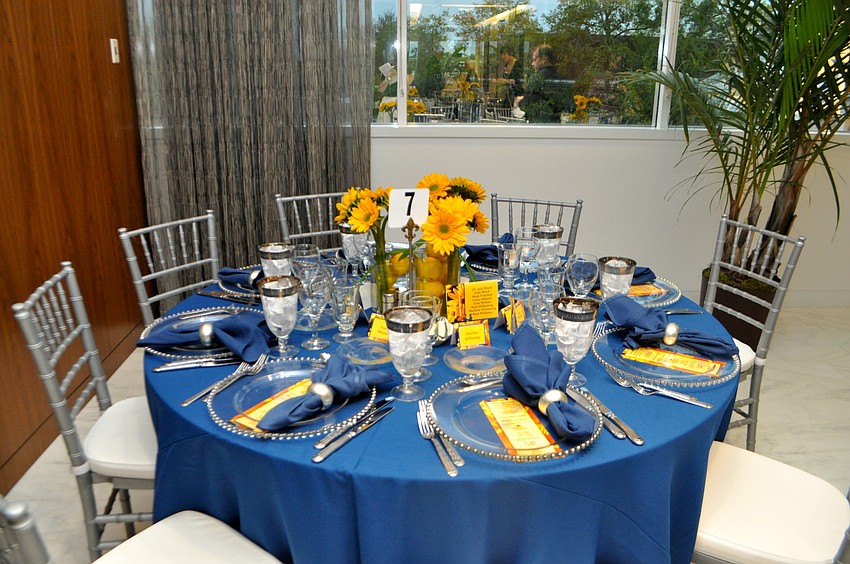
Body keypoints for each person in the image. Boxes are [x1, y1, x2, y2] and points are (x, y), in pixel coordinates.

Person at [516, 44, 573, 123]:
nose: (532, 64)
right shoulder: (562, 80)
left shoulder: (537, 79)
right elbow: (569, 106)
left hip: (538, 124)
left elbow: (528, 105)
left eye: (535, 60)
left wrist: (520, 101)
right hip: (556, 124)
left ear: (543, 59)